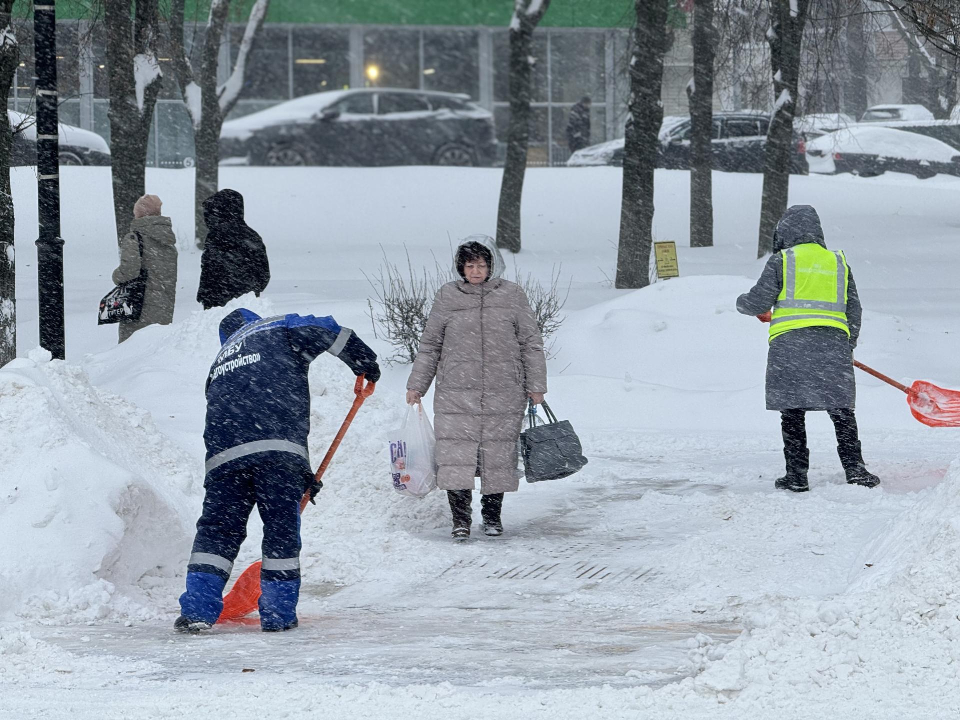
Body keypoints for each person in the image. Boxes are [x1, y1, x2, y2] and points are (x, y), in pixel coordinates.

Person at [175, 308, 380, 633]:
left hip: (224, 459)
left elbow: (224, 419)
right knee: (281, 531)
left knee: (217, 532)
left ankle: (197, 611)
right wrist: (362, 358)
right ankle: (277, 616)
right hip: (276, 449)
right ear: (253, 321)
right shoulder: (275, 328)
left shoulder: (220, 364)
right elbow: (323, 328)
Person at [406, 235, 547, 540]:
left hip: (504, 391)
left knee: (498, 457)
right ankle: (460, 519)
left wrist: (536, 386)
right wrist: (417, 385)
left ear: (492, 266)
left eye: (482, 265)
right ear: (461, 268)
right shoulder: (448, 296)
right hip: (456, 392)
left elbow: (530, 344)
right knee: (455, 457)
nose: (476, 271)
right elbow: (430, 345)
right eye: (470, 265)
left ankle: (492, 517)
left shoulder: (512, 295)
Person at [737, 204, 880, 492]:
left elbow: (755, 302)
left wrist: (742, 302)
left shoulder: (783, 261)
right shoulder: (837, 262)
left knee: (792, 411)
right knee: (841, 410)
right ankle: (855, 469)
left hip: (790, 348)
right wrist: (847, 344)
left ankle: (797, 476)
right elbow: (854, 309)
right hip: (832, 346)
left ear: (784, 232)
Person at [112, 194, 177, 343]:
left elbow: (128, 272)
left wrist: (116, 275)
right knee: (154, 350)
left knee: (131, 351)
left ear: (140, 213)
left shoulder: (134, 238)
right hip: (164, 305)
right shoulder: (168, 242)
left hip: (139, 306)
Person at [197, 189, 270, 310]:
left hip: (218, 301)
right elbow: (263, 273)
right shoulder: (251, 235)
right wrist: (252, 290)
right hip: (246, 301)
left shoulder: (217, 235)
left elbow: (210, 269)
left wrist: (207, 294)